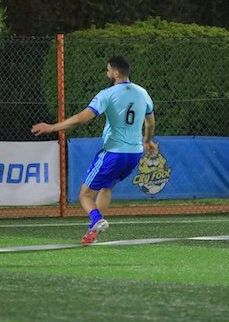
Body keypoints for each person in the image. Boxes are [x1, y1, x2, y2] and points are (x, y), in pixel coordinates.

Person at [31, 56, 156, 245]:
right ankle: (93, 230)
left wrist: (51, 127)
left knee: (85, 195)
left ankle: (97, 219)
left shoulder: (108, 94)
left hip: (114, 152)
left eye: (108, 70)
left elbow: (80, 119)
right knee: (107, 186)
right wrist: (148, 141)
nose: (107, 73)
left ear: (115, 73)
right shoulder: (143, 93)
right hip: (134, 153)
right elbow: (150, 123)